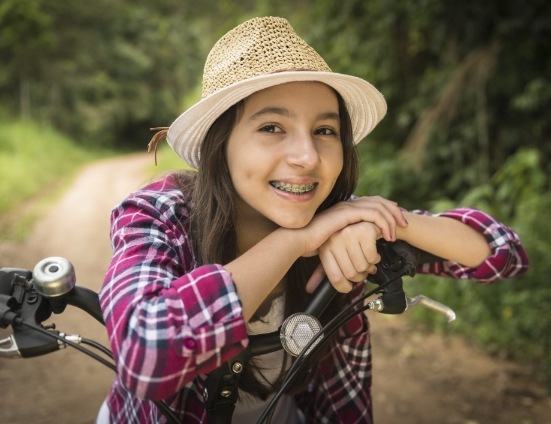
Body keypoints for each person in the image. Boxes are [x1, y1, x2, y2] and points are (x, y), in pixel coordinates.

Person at [97, 16, 529, 424]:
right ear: (221, 145)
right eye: (271, 128)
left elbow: (500, 252)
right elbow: (145, 354)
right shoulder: (160, 213)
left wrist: (381, 222)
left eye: (325, 131)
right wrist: (293, 243)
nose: (306, 158)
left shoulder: (341, 219)